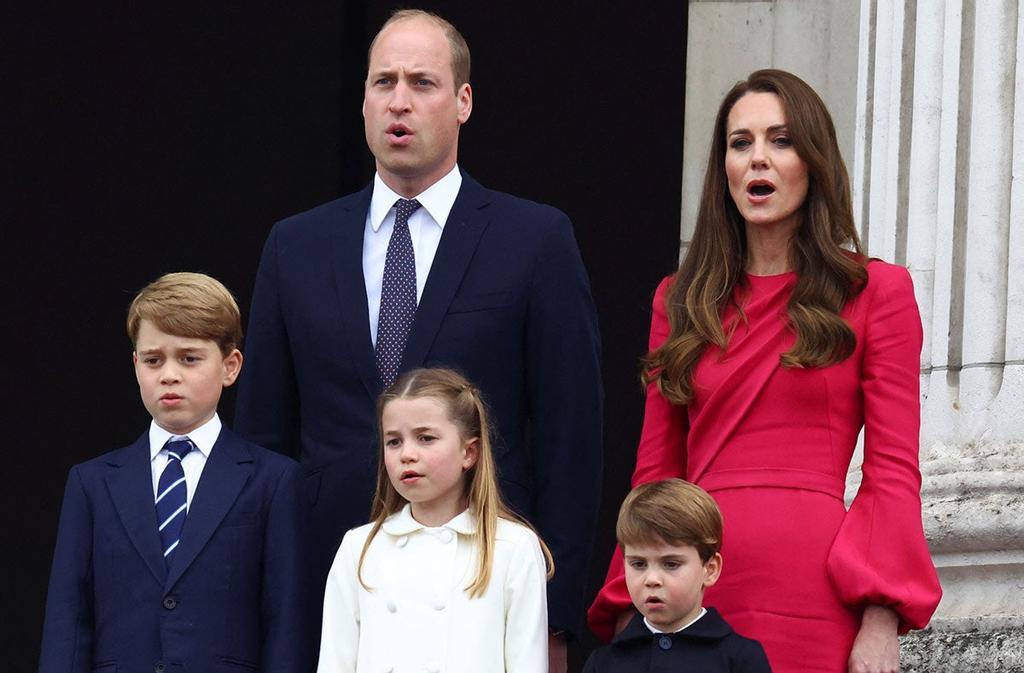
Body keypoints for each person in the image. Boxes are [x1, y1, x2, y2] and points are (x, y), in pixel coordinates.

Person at [235, 9, 602, 667]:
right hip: (331, 587)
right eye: (383, 82)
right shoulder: (296, 245)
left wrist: (556, 618)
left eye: (423, 82)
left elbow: (570, 441)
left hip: (481, 593)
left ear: (464, 101)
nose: (399, 101)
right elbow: (264, 439)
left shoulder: (535, 241)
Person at [587, 70, 942, 673]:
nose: (759, 160)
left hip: (815, 590)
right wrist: (630, 602)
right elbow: (655, 472)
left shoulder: (877, 291)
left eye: (781, 140)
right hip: (696, 584)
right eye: (740, 142)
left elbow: (891, 470)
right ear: (722, 166)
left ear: (815, 159)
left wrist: (881, 616)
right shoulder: (679, 301)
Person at [39, 272, 308, 673]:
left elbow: (285, 621)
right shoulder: (92, 482)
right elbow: (68, 621)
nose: (168, 374)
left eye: (189, 358)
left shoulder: (273, 480)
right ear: (135, 365)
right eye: (153, 359)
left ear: (231, 366)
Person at [317, 368, 551, 673]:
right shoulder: (359, 548)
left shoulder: (512, 547)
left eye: (425, 438)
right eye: (394, 442)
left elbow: (527, 664)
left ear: (469, 452)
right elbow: (336, 662)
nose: (407, 454)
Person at [583, 479, 771, 673]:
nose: (652, 579)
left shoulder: (741, 658)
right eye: (638, 564)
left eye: (671, 564)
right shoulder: (604, 663)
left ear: (710, 569)